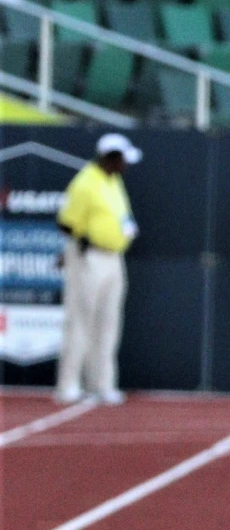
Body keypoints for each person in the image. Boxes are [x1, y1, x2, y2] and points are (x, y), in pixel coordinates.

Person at [55, 132, 141, 406]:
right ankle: (68, 384)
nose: (126, 166)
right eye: (122, 160)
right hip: (89, 256)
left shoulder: (112, 181)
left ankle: (102, 384)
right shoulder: (85, 182)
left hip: (114, 257)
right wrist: (81, 243)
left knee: (108, 322)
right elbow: (66, 221)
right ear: (110, 158)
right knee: (80, 320)